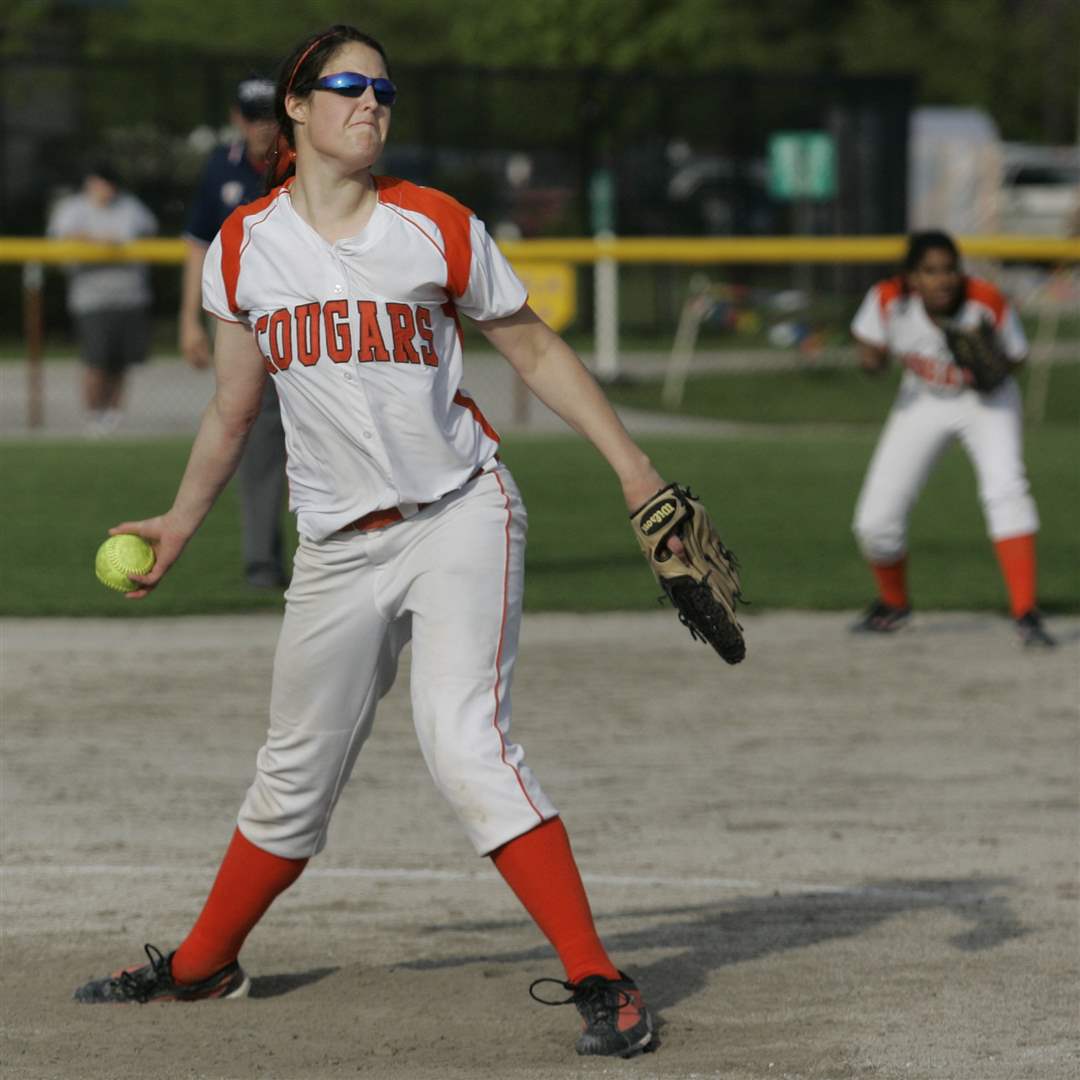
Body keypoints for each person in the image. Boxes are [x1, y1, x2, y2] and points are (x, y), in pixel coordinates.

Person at [72, 25, 681, 1059]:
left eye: (384, 90)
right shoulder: (243, 248)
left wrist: (635, 468)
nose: (372, 103)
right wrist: (179, 523)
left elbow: (529, 344)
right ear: (298, 110)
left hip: (458, 515)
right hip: (336, 548)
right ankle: (205, 964)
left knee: (465, 743)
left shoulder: (433, 225)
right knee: (293, 773)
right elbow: (231, 408)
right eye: (349, 86)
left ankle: (597, 976)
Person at [849, 229, 1055, 647]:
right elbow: (870, 352)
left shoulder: (986, 301)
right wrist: (871, 358)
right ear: (911, 277)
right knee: (874, 522)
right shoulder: (889, 299)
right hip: (922, 400)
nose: (942, 279)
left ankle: (1026, 613)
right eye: (929, 271)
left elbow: (1015, 357)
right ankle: (894, 605)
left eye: (949, 270)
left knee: (1006, 489)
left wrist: (990, 367)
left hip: (987, 401)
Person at [180, 76, 289, 589]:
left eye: (271, 115)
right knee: (257, 435)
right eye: (254, 116)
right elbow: (199, 244)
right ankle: (262, 561)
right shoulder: (220, 168)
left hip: (309, 321)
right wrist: (190, 320)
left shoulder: (305, 162)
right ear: (237, 118)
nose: (264, 125)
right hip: (249, 327)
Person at [46, 162, 158, 436]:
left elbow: (150, 230)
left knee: (120, 363)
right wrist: (97, 241)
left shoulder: (130, 207)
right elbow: (58, 240)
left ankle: (114, 417)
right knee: (96, 361)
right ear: (91, 183)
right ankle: (94, 417)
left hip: (131, 297)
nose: (108, 189)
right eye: (103, 182)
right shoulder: (73, 209)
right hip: (92, 299)